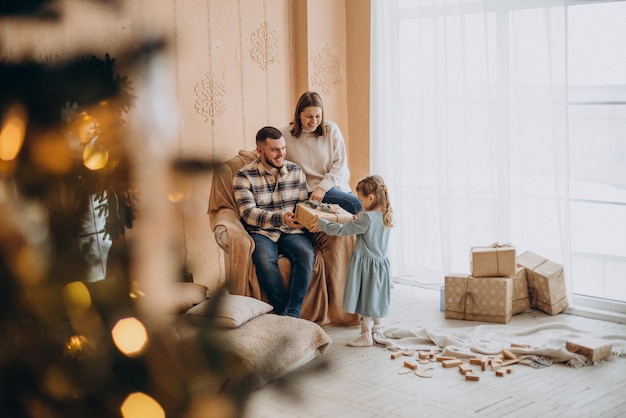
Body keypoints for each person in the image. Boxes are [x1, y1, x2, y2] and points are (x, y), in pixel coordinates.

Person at [233, 126, 314, 318]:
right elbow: (248, 213)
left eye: (283, 148)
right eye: (275, 150)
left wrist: (306, 218)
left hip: (291, 230)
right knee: (264, 259)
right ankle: (279, 312)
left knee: (306, 254)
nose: (281, 154)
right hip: (261, 232)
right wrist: (280, 218)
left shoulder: (296, 171)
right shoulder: (243, 176)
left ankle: (291, 315)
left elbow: (302, 204)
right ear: (260, 150)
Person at [306, 175, 393, 347]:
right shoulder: (385, 215)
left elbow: (342, 230)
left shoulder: (366, 218)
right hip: (381, 265)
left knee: (365, 300)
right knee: (374, 298)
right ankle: (378, 329)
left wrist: (322, 224)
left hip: (366, 266)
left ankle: (366, 335)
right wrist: (358, 219)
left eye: (361, 199)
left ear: (371, 198)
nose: (359, 203)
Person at [280, 91, 363, 214]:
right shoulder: (285, 134)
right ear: (298, 115)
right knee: (358, 206)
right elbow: (267, 148)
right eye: (309, 116)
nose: (313, 121)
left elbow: (340, 164)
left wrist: (322, 188)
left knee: (369, 208)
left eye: (318, 116)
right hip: (311, 191)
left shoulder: (331, 130)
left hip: (336, 187)